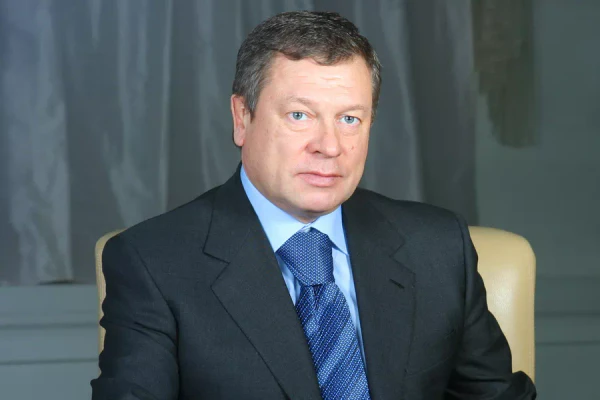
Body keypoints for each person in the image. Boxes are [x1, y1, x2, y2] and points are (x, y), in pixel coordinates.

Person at [91, 11, 536, 400]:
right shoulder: (154, 262)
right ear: (242, 118)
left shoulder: (437, 247)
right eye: (299, 115)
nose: (329, 146)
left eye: (350, 119)